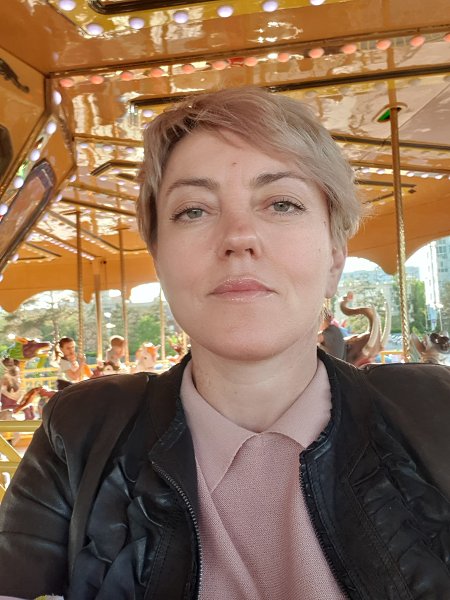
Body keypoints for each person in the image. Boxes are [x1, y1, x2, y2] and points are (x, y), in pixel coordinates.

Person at [0, 87, 449, 600]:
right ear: (159, 259)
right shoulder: (81, 432)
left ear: (334, 255)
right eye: (193, 210)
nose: (239, 237)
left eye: (282, 203)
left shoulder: (435, 415)